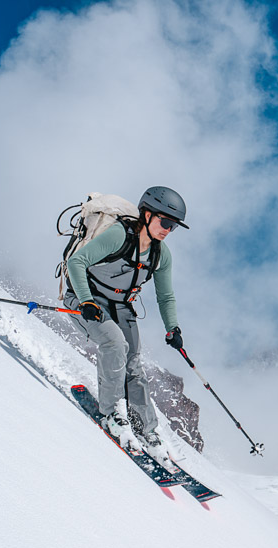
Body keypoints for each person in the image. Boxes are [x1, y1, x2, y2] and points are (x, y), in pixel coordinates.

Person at [63, 186, 188, 463]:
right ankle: (112, 415)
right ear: (146, 214)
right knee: (114, 343)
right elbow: (76, 262)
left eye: (173, 226)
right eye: (165, 222)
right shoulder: (120, 235)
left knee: (133, 364)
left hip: (120, 306)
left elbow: (165, 296)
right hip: (85, 299)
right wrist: (85, 301)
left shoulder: (160, 254)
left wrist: (173, 328)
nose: (168, 229)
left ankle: (147, 431)